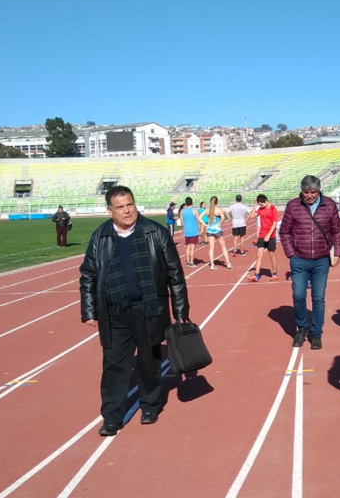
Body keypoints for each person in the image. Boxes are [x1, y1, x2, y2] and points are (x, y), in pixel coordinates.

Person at [79, 186, 189, 436]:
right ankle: (111, 417)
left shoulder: (155, 232)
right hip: (114, 311)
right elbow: (88, 274)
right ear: (110, 211)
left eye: (130, 204)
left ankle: (150, 405)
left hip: (149, 309)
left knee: (149, 362)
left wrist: (180, 308)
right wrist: (88, 309)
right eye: (120, 207)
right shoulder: (101, 236)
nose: (127, 210)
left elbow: (175, 273)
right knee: (114, 366)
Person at [280, 175, 340, 350]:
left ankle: (316, 332)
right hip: (299, 259)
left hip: (321, 260)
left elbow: (337, 231)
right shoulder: (293, 205)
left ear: (319, 190)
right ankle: (301, 328)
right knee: (299, 295)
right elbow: (284, 232)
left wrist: (337, 253)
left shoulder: (329, 205)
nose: (309, 195)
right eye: (306, 192)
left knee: (318, 298)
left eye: (312, 192)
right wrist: (291, 254)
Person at [247, 193, 280, 282]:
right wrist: (255, 204)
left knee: (271, 254)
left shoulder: (273, 209)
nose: (261, 206)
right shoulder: (261, 209)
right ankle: (256, 276)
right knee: (259, 255)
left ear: (266, 201)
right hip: (261, 234)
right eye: (259, 205)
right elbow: (252, 216)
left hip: (271, 235)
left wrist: (269, 235)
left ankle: (275, 274)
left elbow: (274, 224)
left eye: (262, 204)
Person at [199, 196, 233, 271]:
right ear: (217, 202)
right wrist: (220, 224)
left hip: (209, 230)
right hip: (217, 230)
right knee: (223, 247)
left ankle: (212, 264)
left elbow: (199, 217)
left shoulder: (207, 210)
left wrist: (205, 224)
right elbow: (223, 218)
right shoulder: (218, 209)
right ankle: (228, 263)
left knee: (211, 248)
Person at [180, 196, 200, 268]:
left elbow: (182, 223)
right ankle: (191, 262)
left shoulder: (182, 211)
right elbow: (198, 221)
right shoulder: (195, 210)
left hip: (187, 231)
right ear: (192, 202)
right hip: (194, 231)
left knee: (188, 247)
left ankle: (188, 261)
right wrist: (200, 230)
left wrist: (184, 230)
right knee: (192, 247)